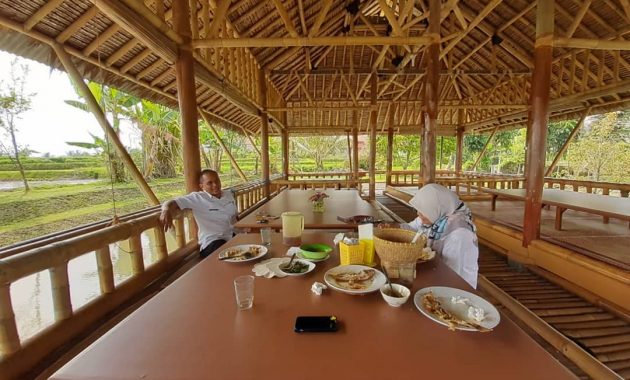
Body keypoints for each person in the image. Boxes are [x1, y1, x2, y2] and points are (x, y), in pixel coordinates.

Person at [385, 184, 479, 288]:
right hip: (433, 272)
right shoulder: (436, 215)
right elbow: (412, 228)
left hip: (456, 288)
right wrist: (393, 227)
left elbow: (452, 274)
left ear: (436, 208)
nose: (418, 214)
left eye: (423, 210)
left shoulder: (460, 233)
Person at [159, 169, 237, 258]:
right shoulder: (197, 198)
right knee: (228, 253)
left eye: (217, 181)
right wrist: (166, 210)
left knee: (249, 246)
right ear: (202, 186)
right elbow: (173, 202)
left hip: (231, 236)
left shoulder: (227, 194)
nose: (215, 185)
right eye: (209, 183)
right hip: (213, 242)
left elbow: (234, 217)